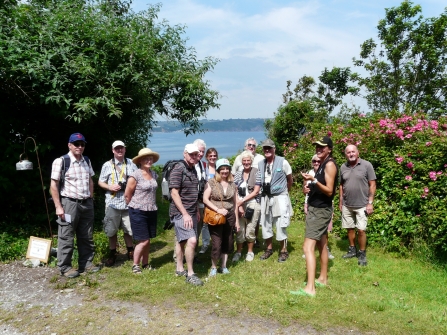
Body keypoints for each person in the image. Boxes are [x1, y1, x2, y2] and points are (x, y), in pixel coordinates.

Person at [50, 133, 100, 278]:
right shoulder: (61, 161)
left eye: (82, 144)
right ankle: (65, 267)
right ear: (69, 145)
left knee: (86, 235)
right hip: (69, 203)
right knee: (66, 236)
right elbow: (54, 185)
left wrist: (91, 197)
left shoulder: (87, 160)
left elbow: (90, 180)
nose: (79, 147)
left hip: (86, 203)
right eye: (76, 144)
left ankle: (87, 264)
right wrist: (58, 206)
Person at [293, 136, 338, 297]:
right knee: (321, 244)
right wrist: (309, 188)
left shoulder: (330, 165)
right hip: (318, 208)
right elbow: (320, 188)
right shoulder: (323, 164)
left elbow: (329, 190)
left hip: (319, 211)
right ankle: (323, 278)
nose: (319, 149)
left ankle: (310, 288)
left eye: (322, 147)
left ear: (329, 149)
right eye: (317, 147)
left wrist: (313, 180)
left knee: (307, 247)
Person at [98, 141, 138, 267]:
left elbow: (138, 179)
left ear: (125, 149)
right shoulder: (107, 165)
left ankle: (130, 250)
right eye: (117, 148)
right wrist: (110, 186)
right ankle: (112, 253)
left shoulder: (131, 163)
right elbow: (100, 182)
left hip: (128, 202)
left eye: (121, 148)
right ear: (113, 150)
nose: (119, 150)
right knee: (111, 230)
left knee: (129, 229)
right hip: (112, 203)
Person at [170, 144, 204, 286]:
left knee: (182, 240)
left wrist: (195, 209)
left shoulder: (193, 169)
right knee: (192, 241)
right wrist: (185, 214)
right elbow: (174, 192)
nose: (194, 157)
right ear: (185, 154)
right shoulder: (179, 169)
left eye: (196, 154)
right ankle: (190, 274)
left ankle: (179, 268)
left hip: (191, 211)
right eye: (191, 154)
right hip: (180, 213)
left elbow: (193, 192)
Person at [339, 144, 377, 266]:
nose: (351, 154)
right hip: (347, 204)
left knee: (361, 230)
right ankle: (352, 250)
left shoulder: (366, 165)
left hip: (362, 204)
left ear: (358, 152)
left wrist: (370, 203)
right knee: (349, 228)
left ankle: (362, 253)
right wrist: (340, 202)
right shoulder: (343, 167)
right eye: (348, 152)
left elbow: (373, 184)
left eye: (353, 152)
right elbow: (341, 185)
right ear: (345, 154)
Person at [124, 148, 160, 274]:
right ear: (140, 161)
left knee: (148, 239)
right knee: (143, 240)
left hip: (151, 210)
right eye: (146, 158)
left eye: (150, 158)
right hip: (138, 211)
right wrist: (135, 207)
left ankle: (145, 263)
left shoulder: (154, 174)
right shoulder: (135, 175)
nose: (149, 161)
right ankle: (135, 265)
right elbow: (127, 195)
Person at [258, 139, 293, 262]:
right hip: (266, 196)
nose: (267, 150)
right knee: (266, 222)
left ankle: (283, 250)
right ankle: (269, 249)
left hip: (280, 196)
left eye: (269, 148)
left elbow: (290, 179)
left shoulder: (283, 162)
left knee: (280, 223)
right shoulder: (261, 163)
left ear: (274, 149)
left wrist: (285, 193)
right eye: (265, 148)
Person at [203, 159, 240, 276]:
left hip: (230, 216)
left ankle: (223, 266)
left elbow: (235, 204)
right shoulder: (211, 182)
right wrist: (218, 209)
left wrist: (237, 221)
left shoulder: (232, 184)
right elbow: (205, 199)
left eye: (227, 169)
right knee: (216, 242)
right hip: (216, 215)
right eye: (222, 169)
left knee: (228, 241)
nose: (225, 171)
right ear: (218, 170)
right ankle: (214, 267)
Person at [302, 154, 334, 260]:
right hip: (310, 203)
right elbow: (304, 188)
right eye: (314, 161)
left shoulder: (326, 171)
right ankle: (311, 248)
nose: (316, 163)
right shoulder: (309, 173)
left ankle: (322, 248)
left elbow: (330, 190)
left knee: (323, 229)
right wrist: (304, 191)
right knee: (311, 227)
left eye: (318, 161)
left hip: (323, 205)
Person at [233, 150, 261, 262]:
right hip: (239, 202)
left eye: (248, 160)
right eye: (244, 161)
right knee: (239, 228)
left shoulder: (257, 172)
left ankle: (250, 251)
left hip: (253, 202)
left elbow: (256, 191)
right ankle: (239, 252)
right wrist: (239, 205)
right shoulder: (239, 173)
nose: (246, 163)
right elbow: (234, 189)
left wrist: (242, 201)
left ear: (251, 161)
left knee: (250, 228)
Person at [199, 147, 219, 254]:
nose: (212, 157)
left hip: (216, 199)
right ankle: (205, 244)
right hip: (205, 199)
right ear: (207, 157)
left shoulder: (218, 167)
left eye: (214, 156)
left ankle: (216, 243)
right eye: (210, 156)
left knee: (217, 220)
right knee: (205, 222)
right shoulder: (203, 167)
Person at [193, 139, 211, 256]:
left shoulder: (203, 165)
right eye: (199, 151)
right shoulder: (186, 165)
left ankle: (193, 255)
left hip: (201, 203)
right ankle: (178, 259)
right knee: (189, 232)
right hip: (190, 204)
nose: (200, 154)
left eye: (202, 152)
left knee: (197, 231)